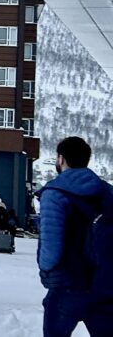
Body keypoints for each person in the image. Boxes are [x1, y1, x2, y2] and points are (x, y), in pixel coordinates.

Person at [38, 136, 113, 337]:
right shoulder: (107, 192)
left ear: (61, 159)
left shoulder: (55, 193)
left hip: (68, 283)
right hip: (105, 284)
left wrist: (47, 273)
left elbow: (51, 248)